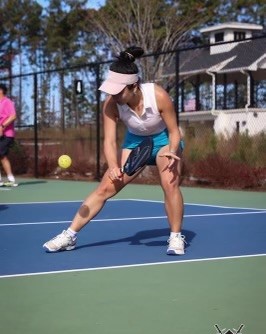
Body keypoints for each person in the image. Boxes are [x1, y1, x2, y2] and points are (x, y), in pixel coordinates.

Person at [43, 46, 186, 255]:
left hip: (164, 140)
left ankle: (175, 237)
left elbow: (174, 131)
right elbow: (109, 141)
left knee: (169, 183)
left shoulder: (158, 95)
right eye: (111, 89)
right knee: (105, 189)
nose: (114, 94)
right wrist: (112, 166)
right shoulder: (111, 104)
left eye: (119, 90)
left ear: (134, 86)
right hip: (135, 142)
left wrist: (173, 150)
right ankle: (69, 235)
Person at [0, 83, 17, 187]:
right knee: (2, 156)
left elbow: (13, 116)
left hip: (7, 134)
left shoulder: (7, 102)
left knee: (2, 155)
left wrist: (2, 126)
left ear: (1, 90)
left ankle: (11, 179)